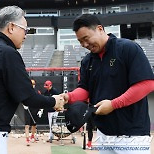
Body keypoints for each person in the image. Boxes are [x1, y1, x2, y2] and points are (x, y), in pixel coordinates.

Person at [0, 6, 64, 154]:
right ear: (11, 27)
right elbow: (29, 98)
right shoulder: (7, 53)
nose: (26, 35)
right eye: (25, 30)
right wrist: (54, 101)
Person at [61, 14, 154, 154]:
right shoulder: (87, 61)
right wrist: (69, 97)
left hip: (132, 135)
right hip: (104, 133)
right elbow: (85, 89)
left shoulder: (127, 48)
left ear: (99, 29)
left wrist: (114, 104)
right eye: (80, 41)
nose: (84, 45)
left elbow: (146, 84)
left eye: (86, 38)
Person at [24, 79, 40, 146]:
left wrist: (40, 109)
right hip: (27, 109)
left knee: (34, 125)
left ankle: (32, 136)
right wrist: (24, 105)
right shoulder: (26, 91)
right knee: (27, 125)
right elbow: (22, 99)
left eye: (33, 84)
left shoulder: (37, 92)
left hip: (35, 109)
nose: (32, 86)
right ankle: (27, 139)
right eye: (31, 84)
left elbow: (40, 100)